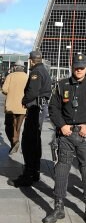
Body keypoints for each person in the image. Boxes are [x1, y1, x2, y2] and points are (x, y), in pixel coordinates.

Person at [42, 53, 86, 223]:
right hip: (66, 134)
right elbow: (53, 108)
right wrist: (61, 125)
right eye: (76, 67)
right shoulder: (62, 85)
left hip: (85, 135)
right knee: (61, 170)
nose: (78, 70)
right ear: (72, 67)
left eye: (82, 67)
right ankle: (58, 207)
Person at [8, 50, 52, 187]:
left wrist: (24, 100)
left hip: (35, 109)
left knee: (28, 142)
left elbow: (32, 92)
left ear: (32, 60)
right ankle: (34, 172)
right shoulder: (43, 70)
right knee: (35, 140)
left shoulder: (36, 72)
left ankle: (28, 175)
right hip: (39, 108)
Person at [2, 60, 28, 154]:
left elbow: (4, 90)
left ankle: (15, 142)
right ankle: (15, 142)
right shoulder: (27, 77)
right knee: (17, 127)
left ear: (15, 67)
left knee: (9, 126)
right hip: (23, 107)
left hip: (11, 107)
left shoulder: (10, 76)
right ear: (23, 68)